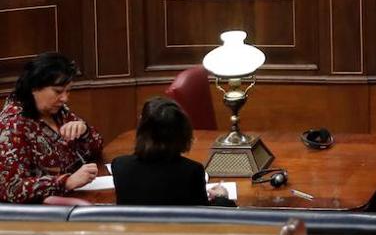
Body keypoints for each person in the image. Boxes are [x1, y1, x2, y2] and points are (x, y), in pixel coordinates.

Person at [0, 53, 103, 203]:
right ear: (34, 87)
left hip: (76, 196)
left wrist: (84, 131)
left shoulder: (58, 111)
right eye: (58, 91)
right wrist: (65, 182)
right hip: (38, 215)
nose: (65, 98)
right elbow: (10, 188)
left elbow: (96, 147)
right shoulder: (12, 125)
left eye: (68, 91)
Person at [112, 97, 232, 206]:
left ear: (142, 129)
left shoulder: (120, 166)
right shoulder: (191, 172)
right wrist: (222, 198)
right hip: (178, 229)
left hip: (136, 230)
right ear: (183, 132)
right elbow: (203, 218)